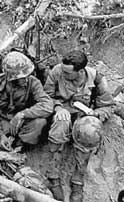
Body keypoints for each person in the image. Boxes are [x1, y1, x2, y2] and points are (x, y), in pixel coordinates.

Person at [43, 50, 114, 202]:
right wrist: (57, 107)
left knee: (89, 130)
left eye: (68, 73)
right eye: (63, 70)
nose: (64, 74)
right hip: (61, 113)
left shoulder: (97, 79)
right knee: (62, 123)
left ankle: (77, 180)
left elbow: (108, 106)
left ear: (80, 71)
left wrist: (95, 114)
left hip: (84, 117)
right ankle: (53, 175)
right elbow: (45, 96)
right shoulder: (56, 72)